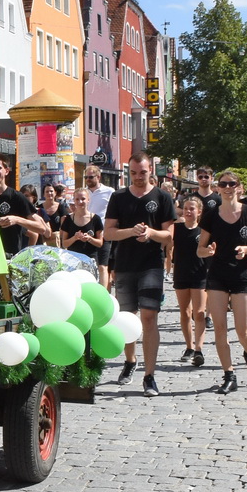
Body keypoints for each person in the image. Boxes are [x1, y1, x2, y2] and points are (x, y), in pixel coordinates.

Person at [102, 152, 176, 395]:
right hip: (124, 264)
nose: (137, 177)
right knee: (127, 318)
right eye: (133, 173)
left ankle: (150, 375)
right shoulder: (119, 196)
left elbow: (169, 235)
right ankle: (130, 361)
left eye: (142, 172)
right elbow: (109, 233)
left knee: (148, 317)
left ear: (150, 170)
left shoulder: (162, 197)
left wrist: (150, 234)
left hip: (151, 264)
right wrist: (131, 232)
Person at [196, 172, 247, 393]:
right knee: (219, 328)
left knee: (244, 331)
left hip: (242, 276)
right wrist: (209, 251)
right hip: (217, 275)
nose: (227, 187)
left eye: (231, 184)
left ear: (239, 187)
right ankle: (229, 374)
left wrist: (246, 249)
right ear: (218, 188)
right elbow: (200, 249)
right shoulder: (210, 216)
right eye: (223, 184)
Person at [0, 155, 50, 258]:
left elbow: (41, 228)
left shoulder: (16, 197)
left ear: (6, 171)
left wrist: (17, 220)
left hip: (9, 259)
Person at [172, 193, 208, 366]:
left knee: (199, 313)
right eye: (185, 208)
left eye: (191, 209)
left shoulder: (204, 231)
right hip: (181, 273)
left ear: (199, 212)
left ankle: (199, 349)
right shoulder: (176, 229)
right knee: (185, 312)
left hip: (200, 274)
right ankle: (189, 346)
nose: (188, 212)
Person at [84, 166, 114, 288]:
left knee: (103, 266)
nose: (88, 180)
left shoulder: (109, 191)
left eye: (91, 177)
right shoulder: (84, 193)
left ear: (98, 177)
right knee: (89, 266)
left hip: (104, 232)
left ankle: (105, 296)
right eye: (86, 177)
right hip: (87, 232)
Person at [59, 186, 104, 262]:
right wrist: (75, 238)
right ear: (74, 200)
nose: (80, 202)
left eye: (83, 199)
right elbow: (64, 244)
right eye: (77, 199)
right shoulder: (68, 219)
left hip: (90, 259)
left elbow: (100, 243)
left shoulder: (96, 219)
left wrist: (89, 239)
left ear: (88, 200)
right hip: (73, 259)